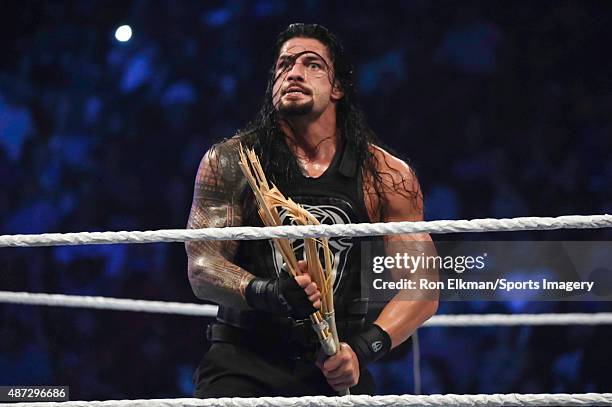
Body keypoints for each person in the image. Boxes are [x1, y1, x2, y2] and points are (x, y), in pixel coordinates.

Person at [185, 23, 438, 398]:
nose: (294, 73)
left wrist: (364, 349)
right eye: (284, 65)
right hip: (243, 359)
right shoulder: (230, 162)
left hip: (335, 361)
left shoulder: (384, 175)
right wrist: (269, 292)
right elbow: (202, 267)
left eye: (312, 64)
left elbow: (422, 285)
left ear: (337, 88)